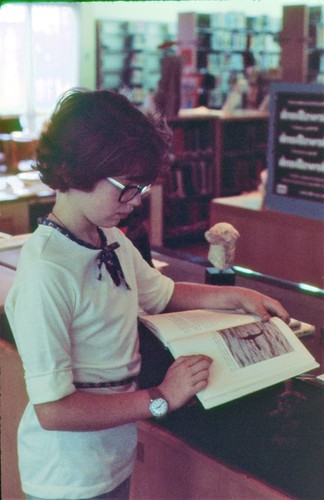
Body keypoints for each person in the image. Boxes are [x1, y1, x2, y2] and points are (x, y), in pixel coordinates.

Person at [5, 88, 290, 500]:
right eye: (128, 187)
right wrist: (161, 398)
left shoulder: (111, 240)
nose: (136, 202)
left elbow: (164, 293)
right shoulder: (47, 271)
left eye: (142, 189)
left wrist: (238, 297)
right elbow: (53, 410)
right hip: (65, 479)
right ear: (76, 170)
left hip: (109, 459)